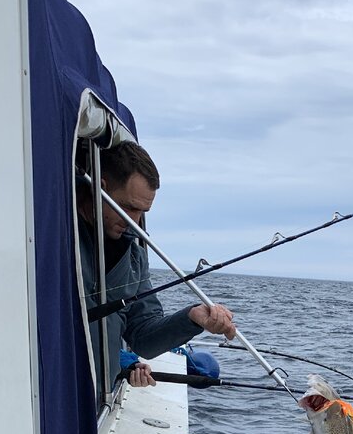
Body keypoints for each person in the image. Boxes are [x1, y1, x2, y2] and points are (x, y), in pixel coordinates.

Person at [76, 141, 235, 390]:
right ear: (101, 189)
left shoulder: (135, 257)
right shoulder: (56, 236)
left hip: (95, 402)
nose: (134, 221)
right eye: (128, 207)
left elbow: (142, 338)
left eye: (143, 211)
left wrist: (192, 318)